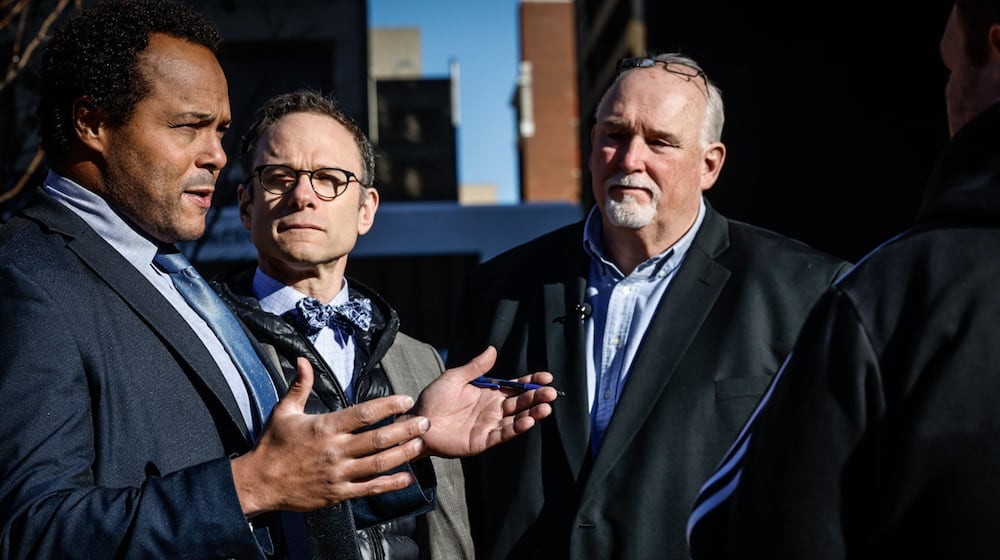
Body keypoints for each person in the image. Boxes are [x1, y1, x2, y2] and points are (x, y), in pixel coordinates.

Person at [0, 1, 557, 558]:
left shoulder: (171, 278)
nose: (218, 155)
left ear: (368, 208)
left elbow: (261, 504)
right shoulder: (25, 274)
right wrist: (251, 484)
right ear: (92, 123)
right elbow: (28, 531)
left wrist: (406, 443)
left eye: (219, 130)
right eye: (189, 126)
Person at [445, 52, 851, 559]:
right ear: (592, 145)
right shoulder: (498, 291)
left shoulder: (805, 293)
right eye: (614, 135)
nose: (630, 159)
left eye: (660, 142)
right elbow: (464, 496)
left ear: (710, 165)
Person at [686, 2, 1000, 558]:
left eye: (952, 70)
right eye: (610, 133)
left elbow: (736, 525)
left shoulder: (892, 295)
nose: (629, 159)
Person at [212, 88, 473, 559]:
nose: (302, 196)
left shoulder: (418, 357)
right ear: (246, 204)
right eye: (278, 177)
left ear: (366, 209)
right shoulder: (204, 338)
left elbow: (448, 529)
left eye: (329, 179)